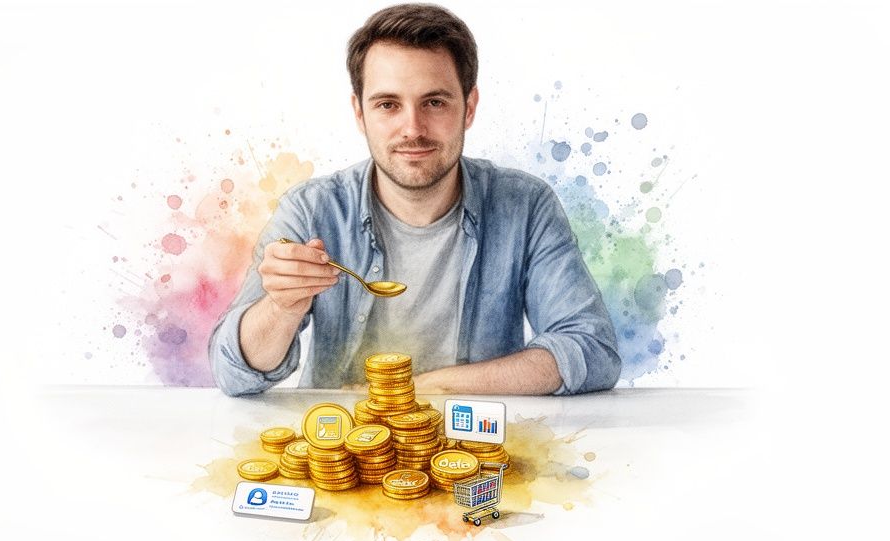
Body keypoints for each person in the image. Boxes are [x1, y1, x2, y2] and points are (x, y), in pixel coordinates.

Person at [210, 4, 620, 396]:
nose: (413, 128)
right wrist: (282, 307)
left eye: (434, 102)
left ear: (469, 107)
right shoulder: (312, 209)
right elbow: (232, 371)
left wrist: (426, 389)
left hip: (474, 448)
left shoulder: (525, 206)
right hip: (341, 448)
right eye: (388, 105)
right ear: (359, 113)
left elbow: (591, 349)